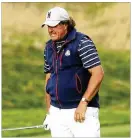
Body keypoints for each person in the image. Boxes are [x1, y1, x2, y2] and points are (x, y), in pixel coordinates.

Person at [42, 6, 104, 137]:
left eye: (54, 25)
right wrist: (49, 112)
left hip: (81, 111)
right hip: (57, 112)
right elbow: (49, 79)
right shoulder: (48, 47)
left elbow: (98, 74)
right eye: (48, 26)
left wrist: (84, 102)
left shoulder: (82, 42)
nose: (50, 30)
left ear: (65, 25)